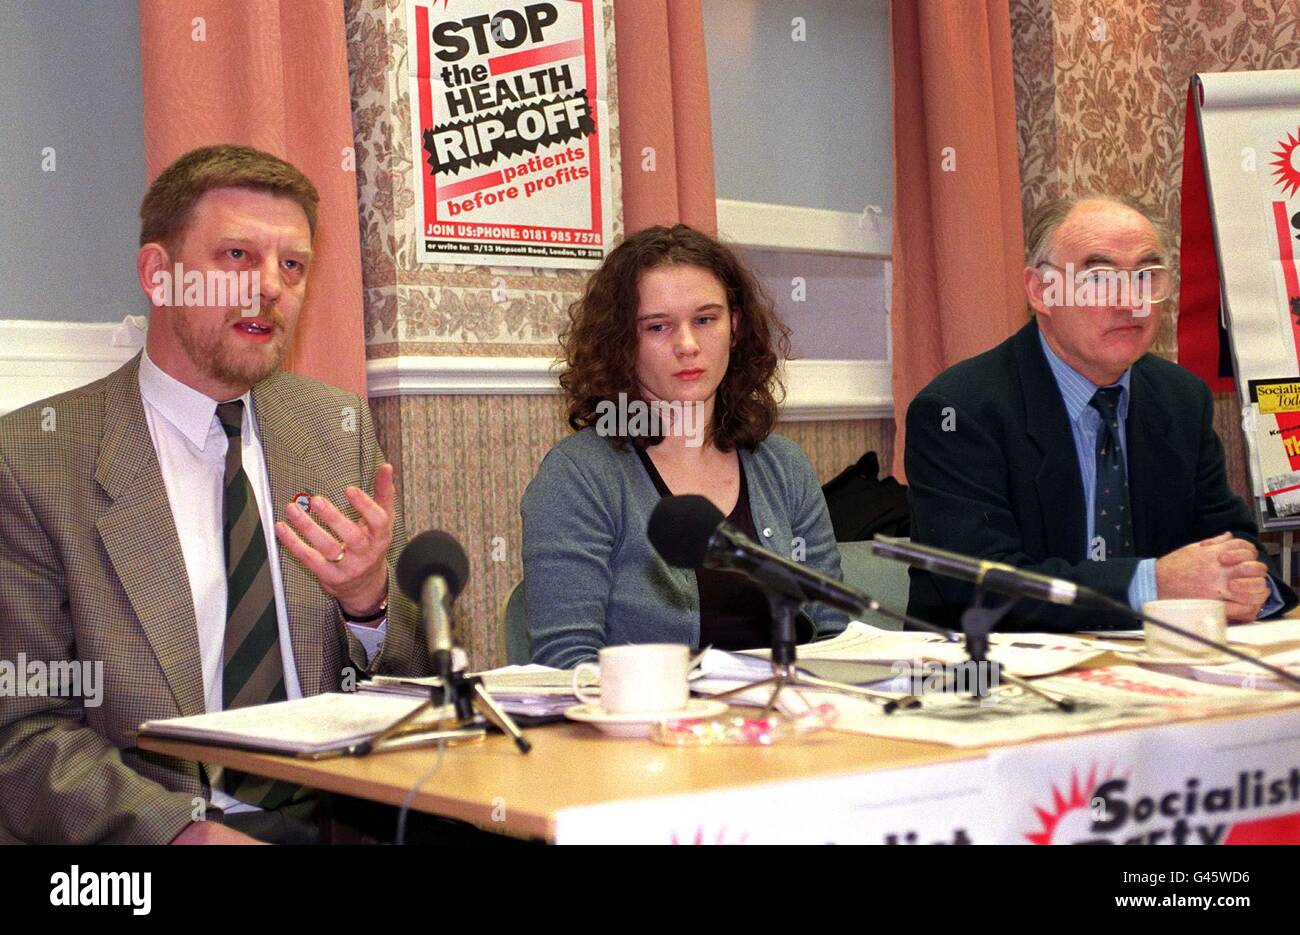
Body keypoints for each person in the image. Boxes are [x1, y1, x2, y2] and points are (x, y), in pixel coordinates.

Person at [0, 145, 430, 844]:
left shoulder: (334, 429)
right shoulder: (34, 462)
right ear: (158, 275)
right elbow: (21, 732)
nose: (270, 288)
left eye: (292, 265)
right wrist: (178, 832)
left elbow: (421, 691)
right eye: (236, 256)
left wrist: (370, 603)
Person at [905, 194, 1297, 632]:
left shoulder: (1181, 398)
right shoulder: (959, 411)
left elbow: (1228, 538)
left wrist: (1242, 581)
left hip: (1152, 668)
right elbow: (981, 587)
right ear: (1041, 291)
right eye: (1099, 278)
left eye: (1146, 276)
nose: (1132, 301)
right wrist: (1152, 583)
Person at [521, 224, 846, 669]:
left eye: (705, 320)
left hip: (786, 721)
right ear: (622, 344)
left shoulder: (783, 465)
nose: (688, 345)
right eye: (658, 327)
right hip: (651, 729)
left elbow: (833, 632)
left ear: (735, 326)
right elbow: (566, 661)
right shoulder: (579, 474)